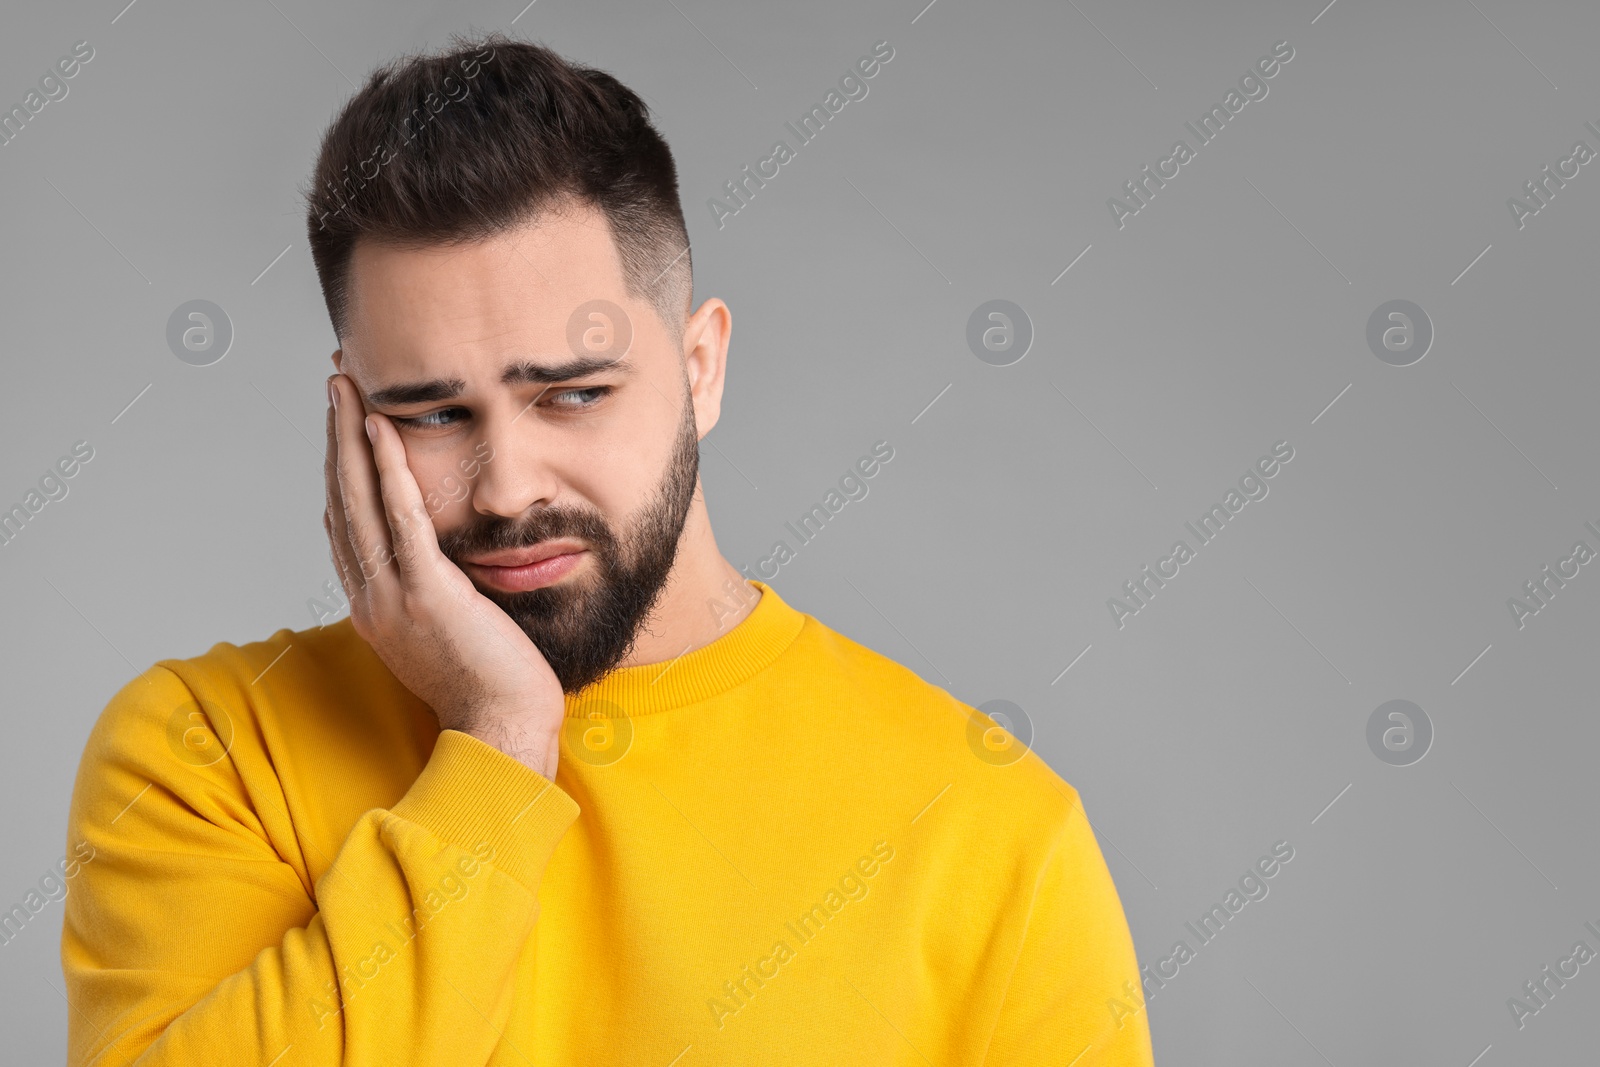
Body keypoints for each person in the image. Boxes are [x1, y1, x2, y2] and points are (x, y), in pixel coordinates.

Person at [61, 32, 1155, 1065]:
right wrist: (497, 741)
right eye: (432, 413)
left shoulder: (991, 831)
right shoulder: (209, 752)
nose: (509, 486)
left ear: (700, 368)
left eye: (572, 393)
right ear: (351, 416)